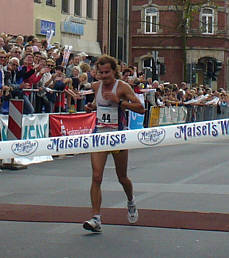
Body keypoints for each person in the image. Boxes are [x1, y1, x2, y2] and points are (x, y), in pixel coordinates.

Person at [83, 55, 145, 233]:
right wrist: (92, 107)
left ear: (114, 71)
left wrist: (120, 102)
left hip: (118, 138)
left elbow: (141, 108)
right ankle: (96, 218)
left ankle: (131, 201)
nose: (104, 76)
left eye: (107, 72)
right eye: (101, 73)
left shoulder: (122, 87)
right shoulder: (96, 86)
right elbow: (98, 104)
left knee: (122, 177)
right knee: (96, 177)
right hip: (100, 136)